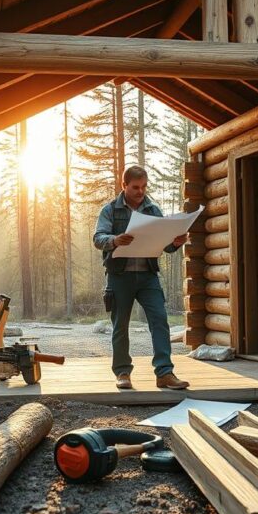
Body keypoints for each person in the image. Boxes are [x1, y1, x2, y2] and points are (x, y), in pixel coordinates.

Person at [94, 166, 189, 390]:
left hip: (148, 276)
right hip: (119, 276)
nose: (141, 191)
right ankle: (123, 373)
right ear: (123, 185)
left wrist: (175, 243)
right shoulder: (110, 210)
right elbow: (98, 238)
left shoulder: (153, 209)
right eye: (136, 187)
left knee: (159, 320)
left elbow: (165, 244)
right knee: (120, 325)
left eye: (144, 186)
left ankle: (165, 373)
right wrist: (115, 240)